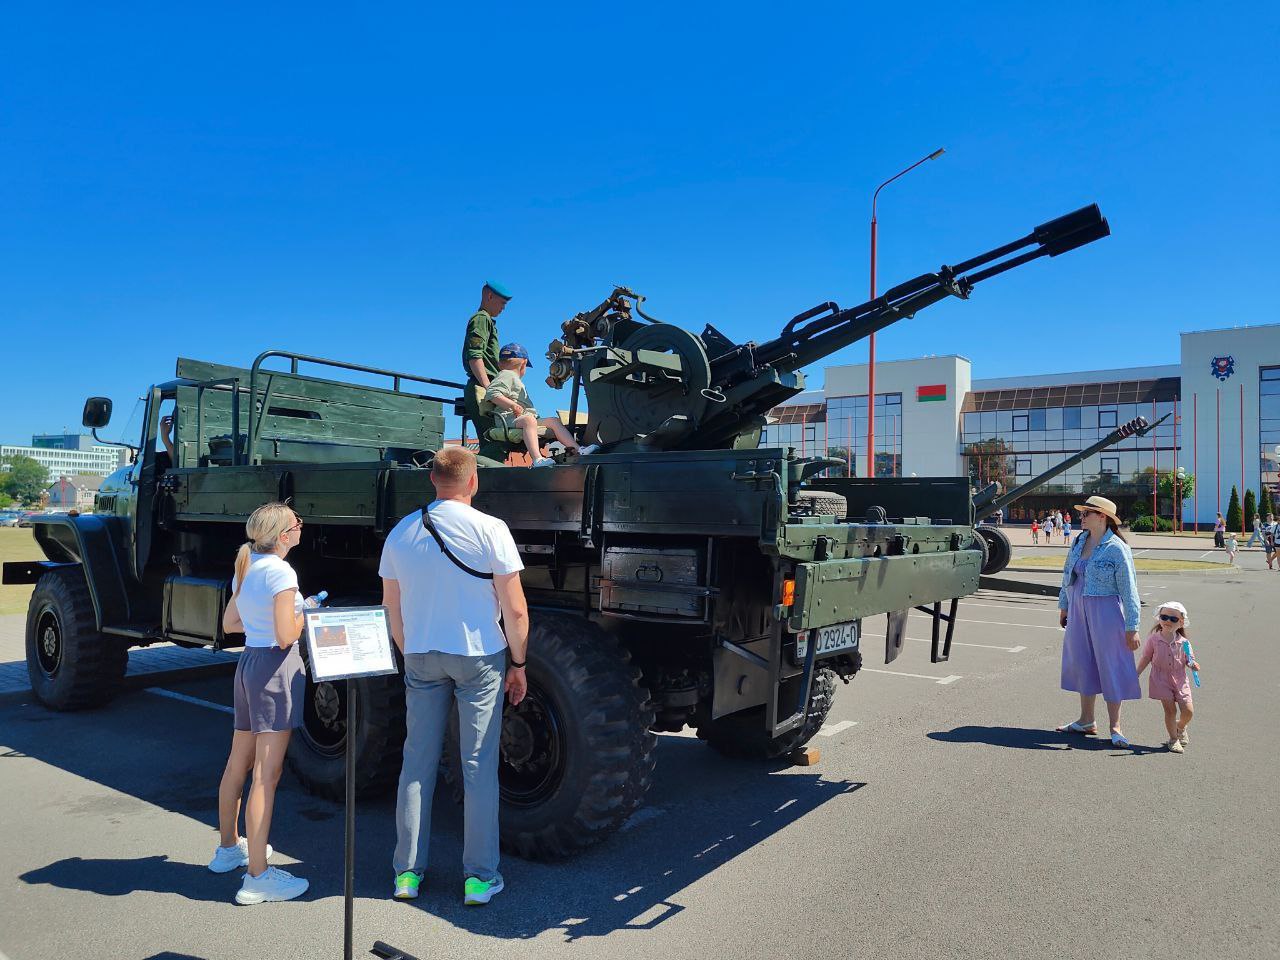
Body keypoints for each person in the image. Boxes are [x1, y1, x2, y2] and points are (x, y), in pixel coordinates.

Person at [381, 446, 529, 906]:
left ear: (432, 480)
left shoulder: (402, 532)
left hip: (422, 654)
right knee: (477, 766)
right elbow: (516, 610)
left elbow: (391, 608)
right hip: (478, 657)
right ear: (473, 482)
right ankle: (479, 878)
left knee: (416, 764)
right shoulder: (491, 529)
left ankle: (407, 875)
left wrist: (411, 654)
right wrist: (519, 664)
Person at [212, 502, 311, 904]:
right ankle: (258, 876)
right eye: (297, 525)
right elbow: (288, 635)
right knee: (266, 777)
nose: (301, 529)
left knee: (239, 763)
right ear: (284, 535)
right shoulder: (282, 571)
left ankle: (227, 849)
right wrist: (309, 613)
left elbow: (230, 624)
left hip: (249, 663)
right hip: (274, 666)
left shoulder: (246, 565)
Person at [1054, 495, 1143, 748]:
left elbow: (1130, 589)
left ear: (1102, 516)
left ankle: (1115, 726)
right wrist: (1064, 605)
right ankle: (1086, 720)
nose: (1081, 517)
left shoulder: (1116, 548)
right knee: (1082, 660)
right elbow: (1067, 574)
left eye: (1086, 513)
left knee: (1110, 664)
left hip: (1105, 609)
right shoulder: (1079, 540)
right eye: (1082, 514)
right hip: (1078, 605)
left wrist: (1132, 627)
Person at [481, 343, 598, 466]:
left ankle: (578, 449)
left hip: (523, 417)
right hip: (509, 419)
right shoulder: (506, 375)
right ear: (524, 363)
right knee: (529, 420)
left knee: (553, 421)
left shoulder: (509, 377)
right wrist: (513, 406)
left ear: (500, 363)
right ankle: (537, 459)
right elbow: (492, 393)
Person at [1136, 602, 1199, 753]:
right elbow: (1146, 657)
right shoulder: (1154, 639)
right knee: (1170, 710)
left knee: (1188, 711)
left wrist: (1193, 665)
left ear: (1181, 622)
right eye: (1164, 617)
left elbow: (1189, 660)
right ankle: (1173, 739)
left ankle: (1180, 726)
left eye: (1173, 619)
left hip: (1180, 679)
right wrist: (1136, 673)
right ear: (1159, 618)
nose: (1168, 621)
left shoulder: (1184, 643)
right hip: (1160, 679)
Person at [462, 281, 512, 444]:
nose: (503, 308)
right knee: (493, 445)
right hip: (481, 388)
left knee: (497, 443)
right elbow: (475, 356)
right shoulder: (481, 319)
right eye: (502, 303)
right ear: (490, 296)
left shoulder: (487, 321)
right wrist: (489, 388)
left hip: (485, 387)